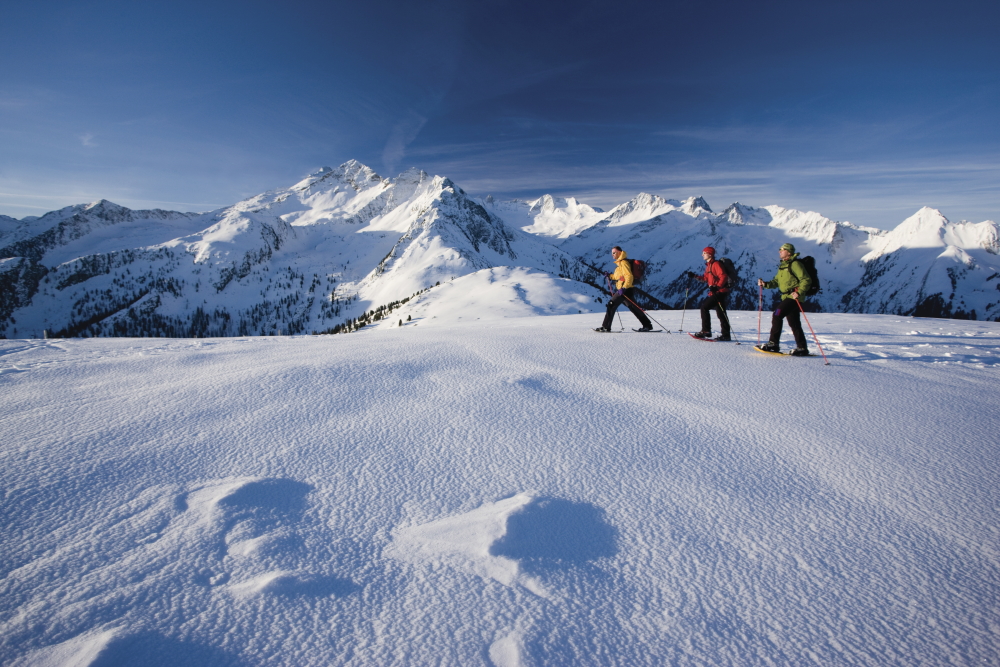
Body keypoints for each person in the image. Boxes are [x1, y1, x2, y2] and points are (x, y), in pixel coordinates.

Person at [757, 243, 812, 355]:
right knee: (794, 323)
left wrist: (799, 292)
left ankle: (773, 343)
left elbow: (806, 279)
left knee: (777, 314)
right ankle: (802, 348)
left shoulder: (795, 264)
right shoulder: (783, 266)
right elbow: (776, 281)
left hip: (794, 297)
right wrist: (765, 284)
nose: (779, 251)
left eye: (782, 250)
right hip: (787, 296)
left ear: (789, 252)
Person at [594, 246, 653, 332]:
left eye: (614, 253)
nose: (612, 255)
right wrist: (610, 276)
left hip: (624, 289)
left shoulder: (623, 263)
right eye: (612, 253)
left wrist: (624, 288)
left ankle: (606, 327)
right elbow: (619, 277)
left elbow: (629, 276)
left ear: (619, 253)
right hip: (626, 289)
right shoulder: (620, 264)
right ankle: (647, 325)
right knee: (633, 308)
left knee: (611, 304)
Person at [687, 246, 731, 341]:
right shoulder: (709, 266)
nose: (702, 255)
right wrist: (694, 276)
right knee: (721, 313)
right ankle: (726, 334)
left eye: (704, 253)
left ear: (709, 254)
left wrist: (717, 286)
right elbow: (705, 279)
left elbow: (723, 276)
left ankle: (706, 331)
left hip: (720, 292)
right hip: (718, 291)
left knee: (704, 308)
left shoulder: (716, 264)